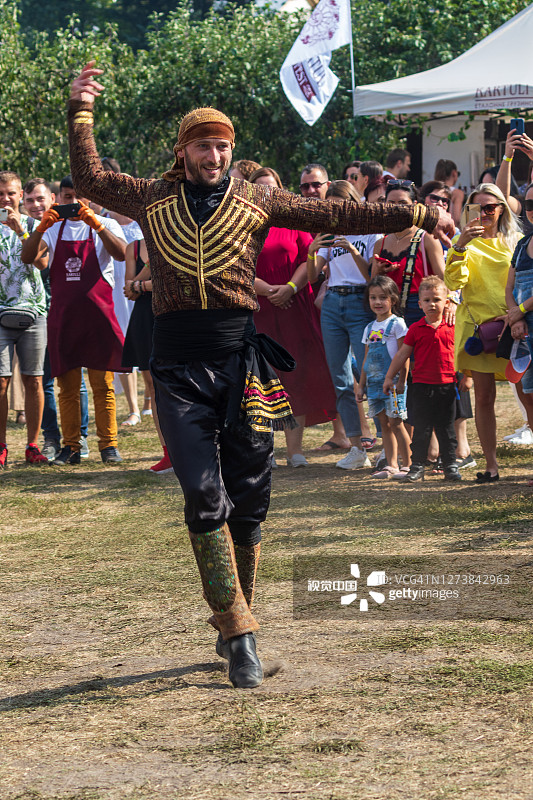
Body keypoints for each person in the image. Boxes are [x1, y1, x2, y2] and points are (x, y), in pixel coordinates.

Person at [60, 61, 452, 689]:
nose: (213, 155)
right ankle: (240, 632)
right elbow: (91, 176)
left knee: (249, 496)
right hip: (178, 365)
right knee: (202, 493)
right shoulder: (150, 197)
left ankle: (235, 611)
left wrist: (415, 217)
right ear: (183, 150)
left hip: (242, 361)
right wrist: (81, 111)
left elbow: (334, 220)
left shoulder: (258, 198)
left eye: (222, 145)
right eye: (201, 144)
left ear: (231, 150)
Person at [21, 177, 127, 465]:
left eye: (81, 197)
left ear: (90, 198)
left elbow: (121, 254)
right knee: (67, 387)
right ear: (60, 198)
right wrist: (42, 225)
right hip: (65, 318)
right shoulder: (54, 228)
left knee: (102, 385)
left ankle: (109, 445)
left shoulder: (106, 225)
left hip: (98, 318)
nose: (75, 204)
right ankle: (71, 447)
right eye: (69, 197)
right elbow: (28, 257)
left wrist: (98, 224)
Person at [250, 166, 337, 467]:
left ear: (280, 188)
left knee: (296, 375)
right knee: (262, 381)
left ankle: (295, 451)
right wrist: (267, 291)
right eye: (259, 187)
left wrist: (289, 288)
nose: (265, 192)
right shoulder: (244, 225)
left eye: (270, 186)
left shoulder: (293, 220)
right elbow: (236, 266)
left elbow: (307, 259)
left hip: (295, 306)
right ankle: (265, 450)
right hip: (260, 309)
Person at [445, 183, 522, 483]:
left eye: (491, 207)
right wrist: (460, 245)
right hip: (477, 330)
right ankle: (491, 465)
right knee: (484, 397)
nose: (485, 213)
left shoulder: (515, 240)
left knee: (526, 394)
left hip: (514, 326)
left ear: (502, 208)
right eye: (478, 208)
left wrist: (517, 314)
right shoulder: (461, 241)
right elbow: (454, 282)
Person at [307, 180, 378, 468]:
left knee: (370, 374)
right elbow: (312, 277)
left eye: (341, 203)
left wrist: (353, 249)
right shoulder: (329, 231)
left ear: (353, 202)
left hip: (361, 301)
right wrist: (313, 250)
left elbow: (371, 274)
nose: (337, 209)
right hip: (334, 303)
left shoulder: (372, 229)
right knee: (340, 378)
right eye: (332, 204)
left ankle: (387, 444)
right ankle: (357, 446)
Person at [23, 177, 91, 461]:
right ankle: (52, 438)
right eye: (30, 201)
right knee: (47, 378)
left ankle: (81, 438)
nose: (36, 205)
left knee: (77, 377)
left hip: (66, 308)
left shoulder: (66, 226)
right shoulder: (27, 227)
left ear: (53, 199)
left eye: (41, 199)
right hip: (37, 313)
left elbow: (44, 262)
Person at [383, 276, 461, 483]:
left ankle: (450, 465)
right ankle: (417, 465)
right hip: (421, 386)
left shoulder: (454, 326)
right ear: (419, 304)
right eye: (426, 300)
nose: (432, 304)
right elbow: (402, 355)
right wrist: (389, 377)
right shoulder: (416, 329)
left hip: (447, 385)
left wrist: (466, 376)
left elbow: (462, 353)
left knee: (446, 428)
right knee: (421, 429)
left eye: (436, 299)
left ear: (446, 302)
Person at [0, 170, 48, 467]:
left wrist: (21, 231)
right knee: (1, 382)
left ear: (20, 195)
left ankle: (32, 445)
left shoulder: (34, 224)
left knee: (34, 380)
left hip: (33, 312)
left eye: (11, 193)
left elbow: (42, 262)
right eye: (0, 193)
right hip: (0, 311)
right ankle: (1, 445)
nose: (5, 199)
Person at [122, 238, 170, 473]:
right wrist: (150, 267)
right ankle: (168, 453)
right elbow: (128, 289)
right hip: (145, 316)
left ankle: (194, 448)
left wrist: (141, 285)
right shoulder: (133, 247)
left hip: (175, 314)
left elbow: (176, 282)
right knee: (153, 386)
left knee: (182, 384)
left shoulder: (178, 238)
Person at [371, 181, 446, 326]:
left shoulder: (427, 238)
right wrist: (377, 271)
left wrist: (450, 303)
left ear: (415, 205)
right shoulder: (380, 243)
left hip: (420, 308)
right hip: (387, 310)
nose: (397, 208)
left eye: (403, 203)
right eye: (391, 202)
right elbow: (374, 284)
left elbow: (443, 279)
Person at [357, 276, 411, 479]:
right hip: (374, 384)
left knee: (396, 423)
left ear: (393, 300)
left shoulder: (397, 324)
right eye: (373, 298)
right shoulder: (369, 328)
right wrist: (361, 385)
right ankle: (391, 464)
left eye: (382, 297)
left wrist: (402, 381)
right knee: (384, 425)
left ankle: (408, 464)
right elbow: (365, 360)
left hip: (393, 382)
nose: (377, 302)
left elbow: (403, 355)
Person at [504, 181, 533, 483]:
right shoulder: (522, 244)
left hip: (525, 321)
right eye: (529, 205)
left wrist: (519, 311)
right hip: (524, 332)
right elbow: (509, 287)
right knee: (529, 396)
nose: (532, 210)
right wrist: (515, 319)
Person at [433, 159, 464, 226]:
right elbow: (457, 218)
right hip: (449, 230)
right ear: (454, 173)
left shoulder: (431, 190)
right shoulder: (457, 193)